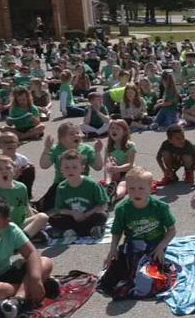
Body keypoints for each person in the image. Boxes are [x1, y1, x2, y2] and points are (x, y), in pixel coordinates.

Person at [100, 167, 177, 297]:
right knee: (109, 281)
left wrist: (161, 247)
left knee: (145, 277)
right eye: (132, 189)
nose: (136, 193)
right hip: (132, 246)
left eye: (141, 188)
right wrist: (112, 250)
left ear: (150, 188)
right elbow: (117, 231)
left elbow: (172, 230)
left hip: (154, 247)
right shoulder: (122, 209)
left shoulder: (160, 207)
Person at [0, 156, 49, 243]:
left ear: (14, 170)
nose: (4, 171)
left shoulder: (21, 187)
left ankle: (21, 239)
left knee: (43, 217)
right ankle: (22, 240)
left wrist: (34, 222)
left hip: (20, 224)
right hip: (2, 228)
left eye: (8, 168)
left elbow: (26, 206)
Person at [38, 122, 104, 212]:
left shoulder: (86, 149)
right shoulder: (56, 149)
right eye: (71, 134)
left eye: (77, 133)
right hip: (61, 184)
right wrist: (47, 148)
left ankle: (107, 193)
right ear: (62, 139)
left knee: (94, 204)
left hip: (84, 184)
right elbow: (44, 165)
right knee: (44, 206)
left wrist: (97, 152)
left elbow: (98, 167)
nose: (76, 136)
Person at [48, 150, 110, 239]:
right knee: (53, 218)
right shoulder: (61, 187)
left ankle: (78, 230)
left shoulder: (92, 184)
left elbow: (103, 205)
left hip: (90, 215)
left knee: (101, 216)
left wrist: (86, 215)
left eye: (74, 167)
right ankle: (83, 231)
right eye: (66, 167)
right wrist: (73, 213)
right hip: (73, 217)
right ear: (61, 169)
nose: (70, 170)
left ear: (82, 168)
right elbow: (60, 209)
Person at [105, 119, 136, 201]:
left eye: (117, 128)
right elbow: (106, 163)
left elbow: (130, 164)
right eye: (112, 128)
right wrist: (111, 163)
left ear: (124, 132)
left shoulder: (130, 146)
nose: (114, 130)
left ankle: (114, 196)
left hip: (127, 170)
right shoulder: (108, 146)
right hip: (114, 171)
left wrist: (118, 168)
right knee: (109, 165)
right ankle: (108, 186)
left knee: (122, 184)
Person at [0, 132, 36, 200]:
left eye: (12, 141)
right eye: (5, 142)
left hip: (19, 182)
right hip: (5, 184)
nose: (9, 144)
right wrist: (14, 176)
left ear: (18, 144)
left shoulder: (22, 159)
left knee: (29, 168)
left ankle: (27, 194)